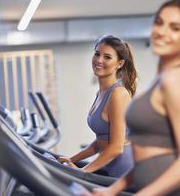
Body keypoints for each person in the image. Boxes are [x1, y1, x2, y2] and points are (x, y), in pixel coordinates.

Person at [92, 0, 180, 196]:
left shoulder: (176, 80)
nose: (161, 31)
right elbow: (146, 160)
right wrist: (112, 190)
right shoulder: (161, 80)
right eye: (159, 22)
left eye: (175, 27)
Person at [58, 35, 138, 178]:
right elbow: (100, 142)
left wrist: (82, 172)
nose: (99, 60)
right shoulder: (102, 92)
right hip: (110, 165)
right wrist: (72, 159)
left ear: (120, 63)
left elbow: (116, 147)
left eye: (107, 57)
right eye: (97, 54)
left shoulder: (118, 94)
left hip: (124, 168)